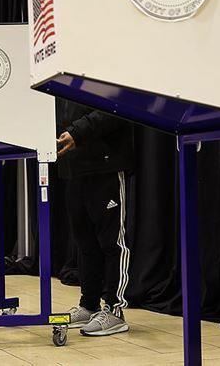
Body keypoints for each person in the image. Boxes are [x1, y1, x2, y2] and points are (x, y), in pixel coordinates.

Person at [56, 99, 135, 336]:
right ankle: (89, 304)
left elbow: (115, 108)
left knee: (112, 242)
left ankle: (114, 309)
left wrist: (77, 132)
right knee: (85, 243)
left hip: (106, 165)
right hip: (75, 167)